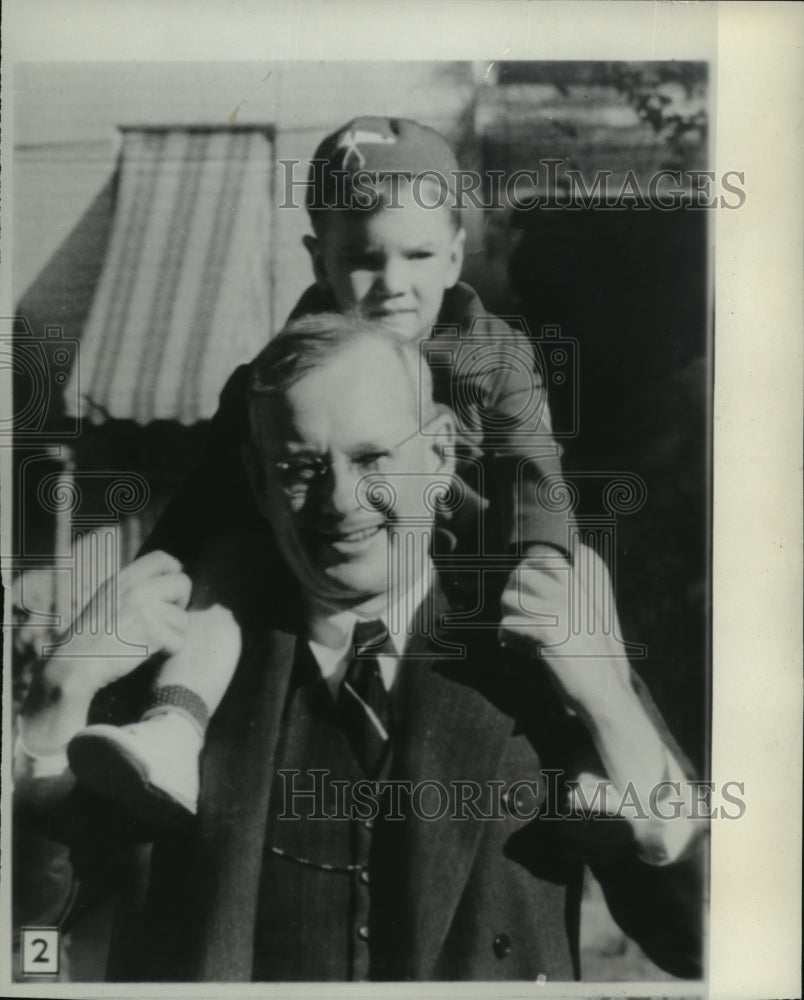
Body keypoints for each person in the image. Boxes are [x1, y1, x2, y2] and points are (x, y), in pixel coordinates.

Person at [15, 315, 703, 982]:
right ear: (257, 481)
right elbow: (29, 942)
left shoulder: (540, 659)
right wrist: (59, 694)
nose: (341, 501)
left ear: (439, 456)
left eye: (372, 458)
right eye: (300, 467)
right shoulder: (181, 675)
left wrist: (611, 707)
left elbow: (698, 944)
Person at [65, 115, 583, 819]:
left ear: (457, 257)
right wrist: (160, 574)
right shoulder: (277, 379)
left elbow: (533, 472)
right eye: (364, 258)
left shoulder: (496, 356)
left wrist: (542, 561)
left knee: (574, 590)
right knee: (223, 566)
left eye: (419, 256)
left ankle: (598, 756)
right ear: (319, 259)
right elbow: (210, 498)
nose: (392, 284)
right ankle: (174, 727)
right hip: (317, 578)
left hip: (466, 571)